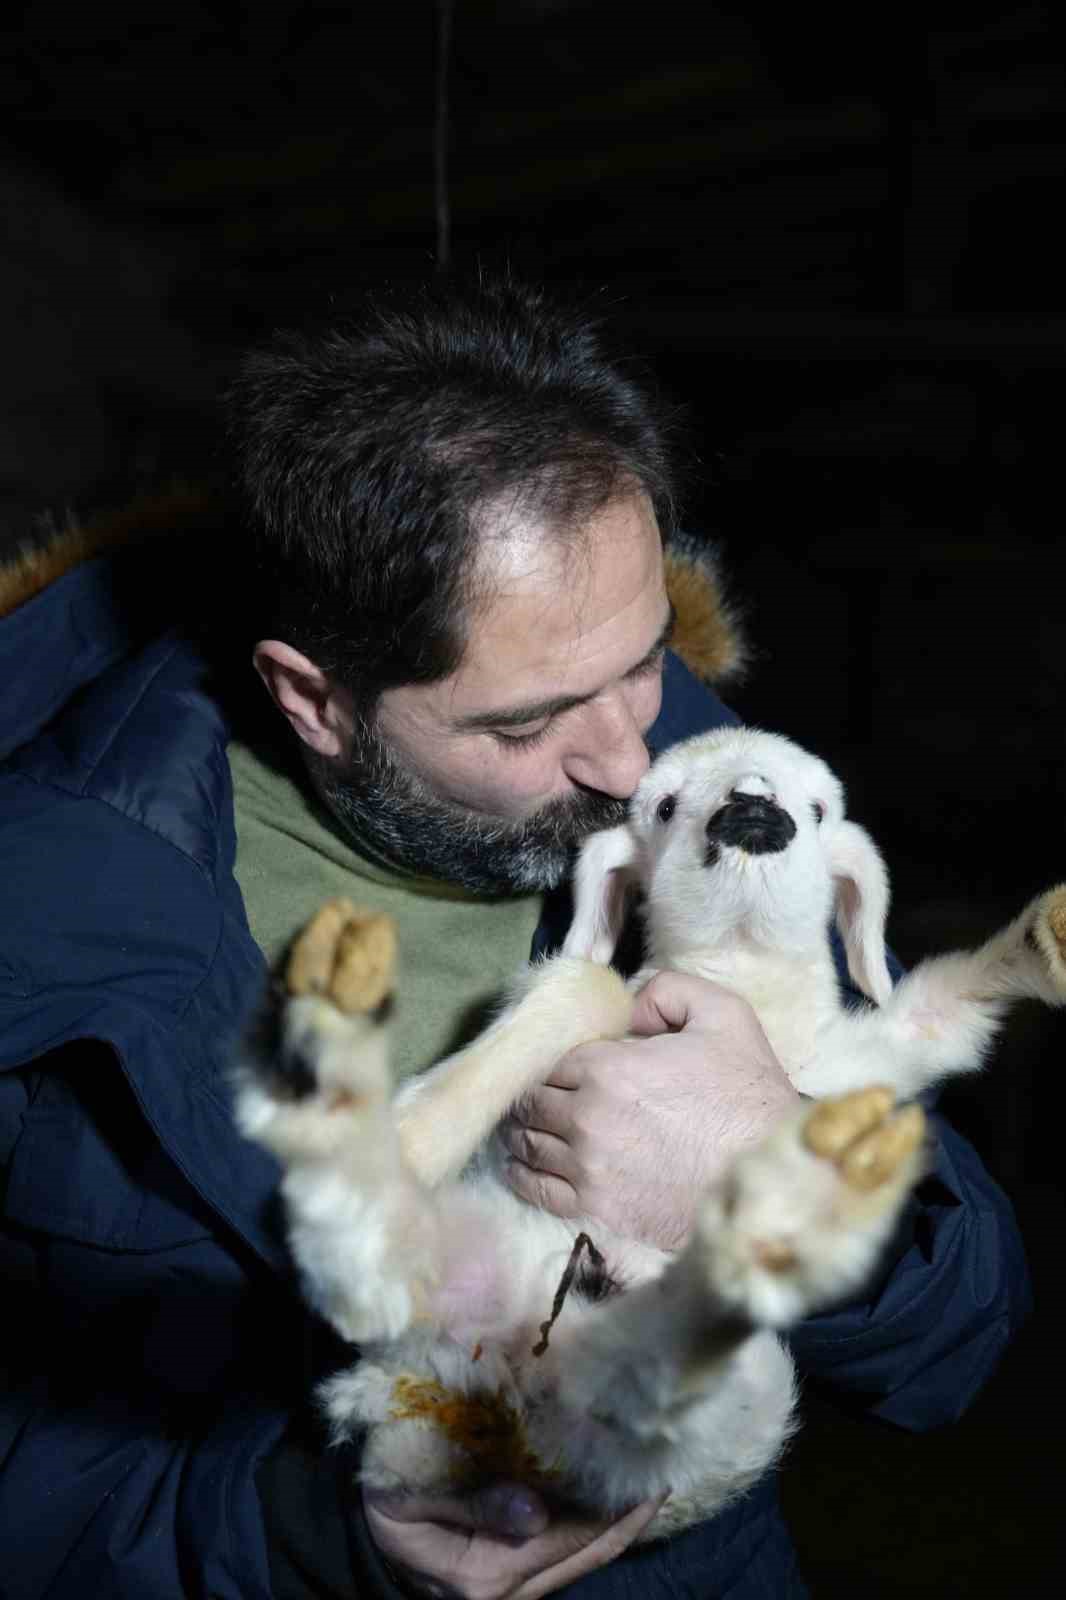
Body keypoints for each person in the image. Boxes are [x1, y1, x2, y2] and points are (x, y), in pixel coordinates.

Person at [0, 275, 1030, 1600]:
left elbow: (956, 1336)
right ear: (313, 699)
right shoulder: (46, 911)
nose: (625, 756)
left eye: (645, 658)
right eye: (521, 724)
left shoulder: (715, 811)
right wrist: (301, 1534)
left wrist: (786, 1180)